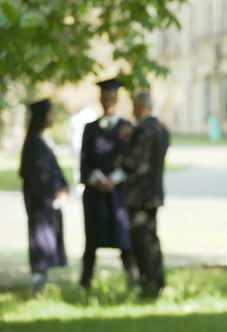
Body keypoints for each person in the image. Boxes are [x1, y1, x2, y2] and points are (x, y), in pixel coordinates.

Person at [79, 78, 138, 289]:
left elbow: (133, 160)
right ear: (100, 99)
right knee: (92, 240)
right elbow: (84, 161)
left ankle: (134, 282)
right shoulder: (90, 128)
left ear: (117, 99)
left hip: (118, 192)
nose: (108, 101)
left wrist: (114, 178)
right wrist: (98, 178)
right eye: (105, 97)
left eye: (112, 97)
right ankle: (85, 284)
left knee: (124, 239)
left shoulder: (127, 128)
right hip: (95, 193)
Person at [119, 91, 170, 298]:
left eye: (133, 105)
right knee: (152, 237)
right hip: (154, 193)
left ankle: (149, 283)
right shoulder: (163, 130)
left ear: (140, 107)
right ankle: (159, 279)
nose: (132, 110)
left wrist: (121, 156)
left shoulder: (141, 130)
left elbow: (133, 163)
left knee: (140, 240)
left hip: (138, 195)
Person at [19, 99, 68, 294]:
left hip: (46, 203)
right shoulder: (34, 144)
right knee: (40, 243)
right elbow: (39, 176)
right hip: (41, 204)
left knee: (46, 243)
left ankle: (41, 285)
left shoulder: (39, 141)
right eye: (50, 114)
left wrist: (62, 186)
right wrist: (56, 191)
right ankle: (37, 287)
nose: (53, 117)